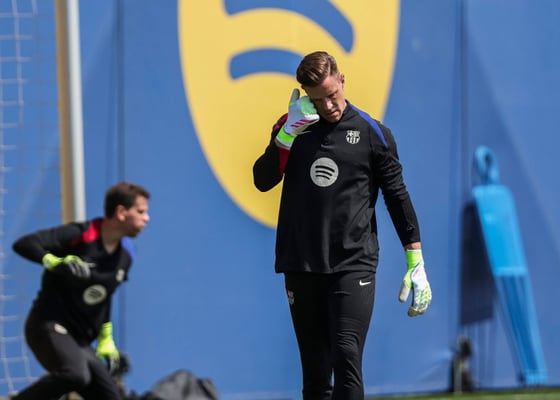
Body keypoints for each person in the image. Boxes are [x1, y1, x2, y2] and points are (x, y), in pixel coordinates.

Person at [252, 51, 432, 400]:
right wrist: (286, 135)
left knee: (346, 356)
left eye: (332, 94)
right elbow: (263, 180)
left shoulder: (373, 133)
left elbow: (397, 196)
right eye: (318, 99)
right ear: (306, 95)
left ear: (342, 80)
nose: (328, 105)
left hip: (353, 263)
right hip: (302, 263)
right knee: (316, 374)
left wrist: (416, 261)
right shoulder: (292, 127)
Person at [4, 182, 150, 400]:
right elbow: (24, 244)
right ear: (121, 212)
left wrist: (106, 338)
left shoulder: (126, 254)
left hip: (79, 340)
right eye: (141, 211)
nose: (146, 218)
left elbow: (104, 296)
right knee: (75, 375)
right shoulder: (81, 234)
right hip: (47, 326)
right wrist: (55, 262)